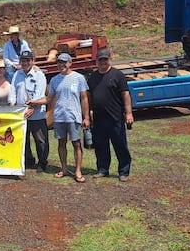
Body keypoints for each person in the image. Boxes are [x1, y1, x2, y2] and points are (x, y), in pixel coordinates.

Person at [87, 48, 133, 181]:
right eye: (100, 60)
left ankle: (123, 171)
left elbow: (125, 94)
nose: (102, 62)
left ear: (109, 60)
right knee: (101, 146)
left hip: (115, 118)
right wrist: (89, 112)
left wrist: (128, 113)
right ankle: (102, 169)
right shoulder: (93, 77)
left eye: (105, 59)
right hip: (99, 119)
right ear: (96, 61)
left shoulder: (118, 75)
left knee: (120, 145)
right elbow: (89, 96)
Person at [46, 53, 90, 182]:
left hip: (74, 116)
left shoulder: (79, 78)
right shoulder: (54, 80)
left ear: (70, 63)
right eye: (59, 62)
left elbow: (84, 98)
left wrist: (86, 117)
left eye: (64, 62)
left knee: (76, 144)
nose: (62, 65)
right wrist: (33, 103)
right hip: (59, 117)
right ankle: (64, 168)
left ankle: (78, 171)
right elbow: (49, 99)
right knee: (61, 143)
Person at [8, 50, 49, 173]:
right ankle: (28, 160)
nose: (25, 63)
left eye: (27, 60)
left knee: (40, 140)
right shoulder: (17, 74)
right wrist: (12, 105)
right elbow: (13, 90)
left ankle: (42, 163)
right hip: (21, 113)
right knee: (23, 139)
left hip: (36, 114)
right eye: (23, 61)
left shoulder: (39, 75)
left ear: (32, 61)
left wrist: (32, 108)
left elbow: (39, 93)